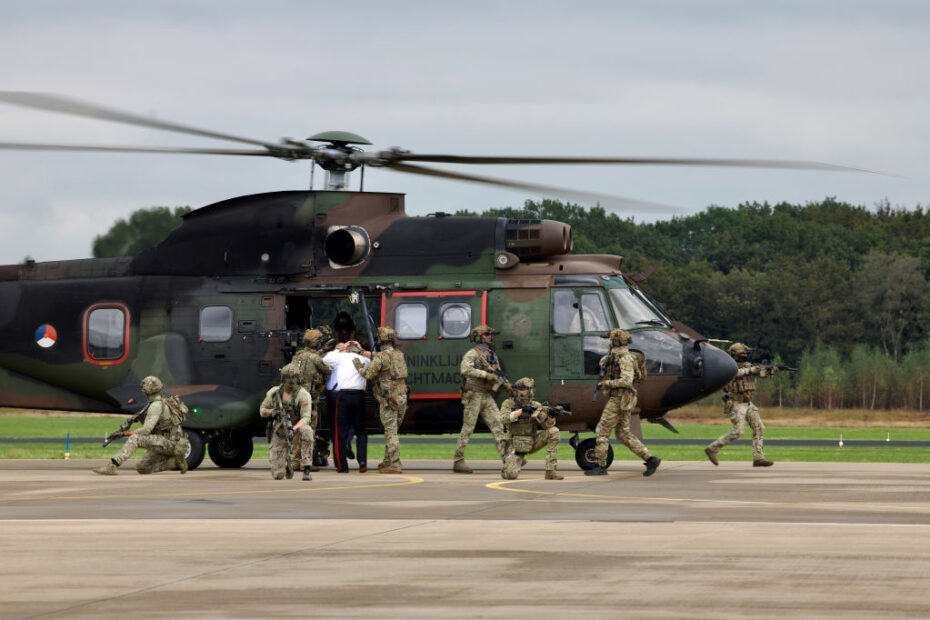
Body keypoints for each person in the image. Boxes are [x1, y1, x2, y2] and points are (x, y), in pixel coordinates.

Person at [587, 328, 661, 477]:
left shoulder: (625, 359)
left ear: (615, 341)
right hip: (624, 400)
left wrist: (607, 383)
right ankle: (650, 459)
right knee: (623, 434)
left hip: (620, 399)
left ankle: (600, 466)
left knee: (602, 431)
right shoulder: (616, 356)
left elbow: (626, 381)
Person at [93, 376, 189, 475]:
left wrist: (124, 434)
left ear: (148, 389)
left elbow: (146, 430)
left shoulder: (156, 406)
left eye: (144, 386)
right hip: (167, 442)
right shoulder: (158, 402)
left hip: (169, 443)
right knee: (142, 468)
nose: (142, 389)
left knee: (135, 438)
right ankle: (174, 463)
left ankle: (112, 466)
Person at [705, 342, 777, 467]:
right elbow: (735, 373)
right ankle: (713, 448)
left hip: (747, 402)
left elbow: (762, 375)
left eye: (745, 353)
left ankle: (758, 458)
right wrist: (750, 370)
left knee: (759, 427)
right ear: (735, 355)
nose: (745, 356)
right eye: (742, 354)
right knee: (738, 431)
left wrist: (770, 371)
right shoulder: (727, 367)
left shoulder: (748, 366)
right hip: (735, 402)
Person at [454, 324, 509, 474]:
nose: (490, 337)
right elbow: (465, 370)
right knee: (468, 428)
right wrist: (486, 375)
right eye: (486, 335)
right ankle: (458, 460)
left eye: (490, 335)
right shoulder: (472, 354)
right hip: (474, 395)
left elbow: (498, 373)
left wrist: (508, 386)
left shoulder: (491, 355)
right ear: (478, 337)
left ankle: (508, 459)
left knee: (498, 425)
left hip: (486, 395)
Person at [352, 326, 408, 474]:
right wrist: (362, 351)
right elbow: (380, 357)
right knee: (393, 431)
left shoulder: (381, 357)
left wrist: (358, 366)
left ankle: (395, 464)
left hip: (388, 399)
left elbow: (368, 375)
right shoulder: (398, 354)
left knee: (390, 432)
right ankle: (387, 461)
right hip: (401, 397)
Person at [499, 377, 563, 480]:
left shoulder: (536, 405)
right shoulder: (509, 403)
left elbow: (546, 426)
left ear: (530, 390)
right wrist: (521, 411)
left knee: (554, 431)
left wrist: (551, 417)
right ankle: (512, 463)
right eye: (519, 389)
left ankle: (550, 471)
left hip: (532, 442)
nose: (520, 391)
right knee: (510, 475)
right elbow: (502, 419)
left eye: (523, 389)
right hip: (515, 446)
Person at [259, 363, 314, 481]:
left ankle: (307, 468)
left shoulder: (303, 395)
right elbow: (262, 411)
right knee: (278, 475)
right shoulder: (274, 393)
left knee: (308, 431)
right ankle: (286, 461)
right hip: (279, 430)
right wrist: (272, 411)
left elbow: (306, 418)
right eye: (288, 378)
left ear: (298, 379)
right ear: (283, 379)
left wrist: (294, 428)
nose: (291, 382)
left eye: (293, 378)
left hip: (296, 428)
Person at [323, 340, 370, 473]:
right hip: (359, 396)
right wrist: (360, 348)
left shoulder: (341, 357)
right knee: (361, 431)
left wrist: (339, 349)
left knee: (340, 431)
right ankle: (362, 460)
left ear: (347, 348)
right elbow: (373, 359)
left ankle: (342, 466)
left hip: (343, 396)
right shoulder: (364, 359)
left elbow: (326, 360)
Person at [290, 328, 332, 471]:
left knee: (296, 429)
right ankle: (305, 462)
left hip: (295, 398)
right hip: (309, 400)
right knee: (308, 431)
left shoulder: (297, 356)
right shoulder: (316, 359)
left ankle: (295, 461)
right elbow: (327, 370)